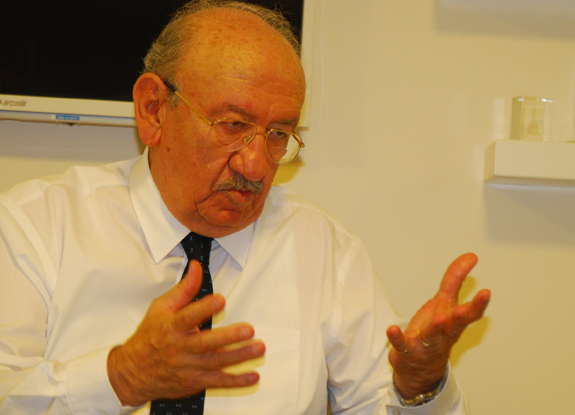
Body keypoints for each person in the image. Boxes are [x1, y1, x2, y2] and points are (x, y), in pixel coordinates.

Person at [0, 1, 491, 414]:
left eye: (278, 134)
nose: (255, 165)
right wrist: (121, 378)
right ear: (154, 109)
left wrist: (419, 388)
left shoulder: (324, 252)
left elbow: (380, 402)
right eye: (233, 125)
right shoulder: (34, 226)